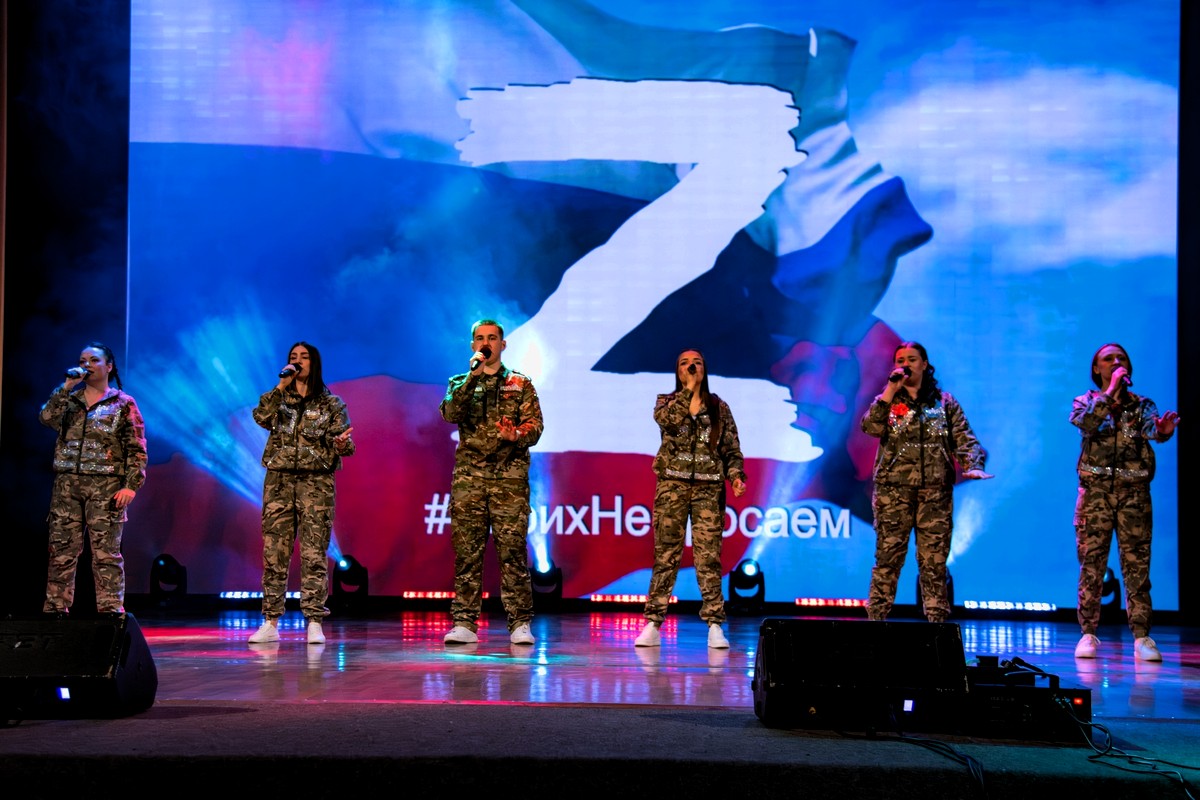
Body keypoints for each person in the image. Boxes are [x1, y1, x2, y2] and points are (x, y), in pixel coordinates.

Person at [860, 341, 992, 624]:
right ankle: (875, 623)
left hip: (935, 495)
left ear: (924, 364)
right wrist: (890, 390)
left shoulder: (944, 403)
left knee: (934, 563)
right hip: (893, 493)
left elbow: (965, 439)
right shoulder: (888, 400)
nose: (905, 364)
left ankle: (937, 627)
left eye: (911, 359)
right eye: (900, 360)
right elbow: (870, 427)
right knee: (887, 560)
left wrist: (973, 465)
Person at [1070, 343, 1178, 662]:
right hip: (1095, 495)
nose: (1117, 362)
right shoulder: (1086, 401)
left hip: (1134, 495)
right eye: (1109, 359)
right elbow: (1086, 424)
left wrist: (1163, 432)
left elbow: (1152, 430)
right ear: (1097, 369)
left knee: (1137, 566)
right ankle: (1088, 633)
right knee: (1092, 565)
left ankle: (1142, 636)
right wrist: (1110, 392)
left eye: (1122, 358)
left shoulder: (1142, 404)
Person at [439, 319, 544, 645]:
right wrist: (473, 376)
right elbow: (450, 413)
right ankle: (464, 623)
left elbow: (536, 426)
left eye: (493, 338)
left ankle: (520, 623)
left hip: (508, 480)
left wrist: (516, 434)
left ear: (502, 344)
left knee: (512, 553)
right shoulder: (460, 382)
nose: (486, 343)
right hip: (470, 480)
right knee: (467, 553)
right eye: (480, 339)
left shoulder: (520, 384)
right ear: (473, 346)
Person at [635, 349, 747, 650]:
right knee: (666, 555)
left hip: (708, 489)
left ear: (704, 369)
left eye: (697, 362)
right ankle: (653, 622)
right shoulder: (667, 402)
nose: (691, 366)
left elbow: (731, 449)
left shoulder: (719, 407)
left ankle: (715, 624)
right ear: (678, 372)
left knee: (708, 557)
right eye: (684, 363)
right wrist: (689, 391)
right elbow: (668, 422)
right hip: (672, 486)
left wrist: (736, 476)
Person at [248, 341, 355, 645]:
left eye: (304, 357)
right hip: (279, 482)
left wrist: (341, 444)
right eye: (293, 357)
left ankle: (314, 621)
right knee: (274, 553)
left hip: (316, 484)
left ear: (314, 363)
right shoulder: (279, 399)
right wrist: (280, 387)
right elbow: (261, 417)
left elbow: (347, 445)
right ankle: (270, 621)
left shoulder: (331, 403)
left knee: (314, 553)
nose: (298, 362)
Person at [40, 342, 148, 615]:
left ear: (108, 366)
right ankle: (56, 611)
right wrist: (66, 387)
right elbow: (46, 417)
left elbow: (136, 449)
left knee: (106, 554)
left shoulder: (123, 403)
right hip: (67, 486)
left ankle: (111, 614)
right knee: (61, 551)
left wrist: (131, 486)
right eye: (82, 360)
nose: (87, 364)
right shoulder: (70, 400)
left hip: (106, 487)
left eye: (94, 360)